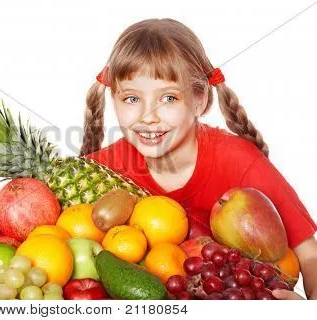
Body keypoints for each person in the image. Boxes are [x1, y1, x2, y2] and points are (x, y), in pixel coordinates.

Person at [80, 18, 317, 299]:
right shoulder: (102, 171)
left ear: (199, 100)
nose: (147, 116)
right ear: (114, 100)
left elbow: (310, 255)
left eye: (168, 98)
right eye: (131, 99)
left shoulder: (239, 161)